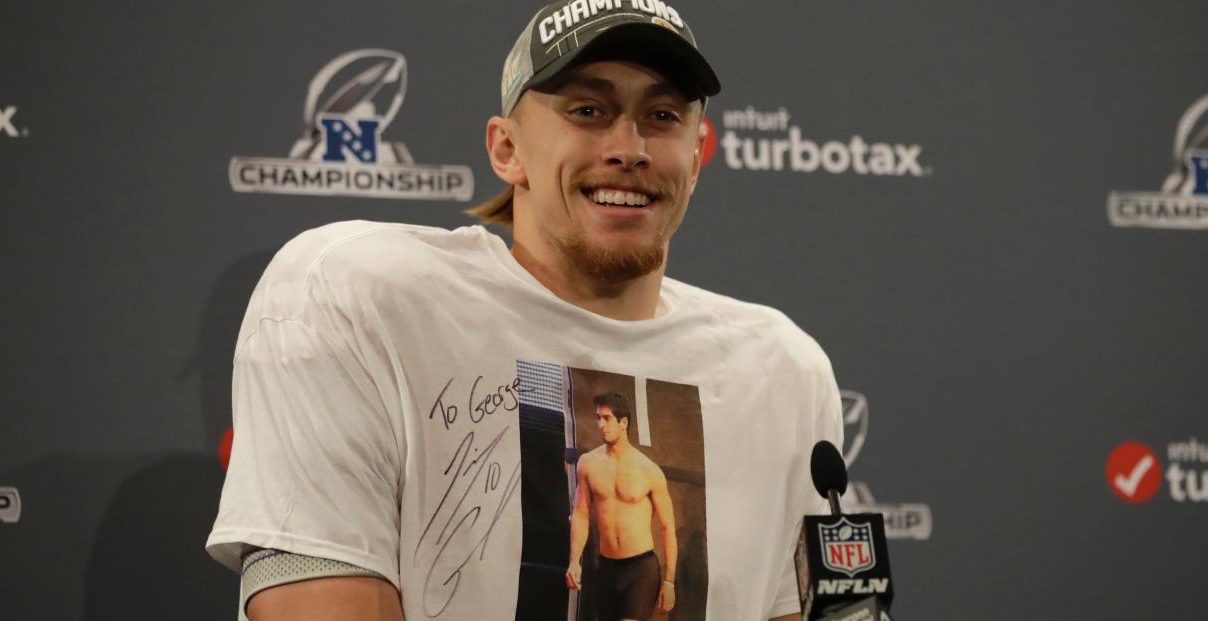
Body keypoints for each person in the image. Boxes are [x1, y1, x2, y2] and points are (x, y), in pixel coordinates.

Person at [207, 1, 843, 620]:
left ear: (697, 158)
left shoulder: (782, 370)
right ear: (506, 149)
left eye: (663, 114)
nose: (630, 146)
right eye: (589, 110)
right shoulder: (358, 296)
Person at [566, 392, 677, 620]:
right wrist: (574, 561)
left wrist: (669, 581)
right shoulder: (588, 464)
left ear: (623, 422)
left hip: (640, 569)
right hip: (606, 567)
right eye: (598, 418)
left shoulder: (649, 470)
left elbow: (668, 529)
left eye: (607, 418)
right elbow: (581, 513)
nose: (601, 425)